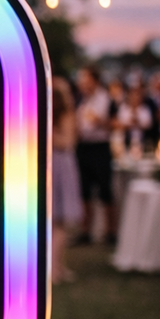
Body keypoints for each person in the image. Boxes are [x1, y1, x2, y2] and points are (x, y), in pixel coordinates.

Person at [74, 65, 117, 246]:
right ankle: (86, 231)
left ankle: (110, 232)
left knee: (105, 190)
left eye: (86, 79)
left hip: (100, 147)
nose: (82, 82)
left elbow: (115, 123)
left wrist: (99, 121)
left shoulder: (106, 99)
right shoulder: (80, 100)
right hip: (83, 147)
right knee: (84, 191)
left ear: (95, 80)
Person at [51, 77, 83, 283]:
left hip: (53, 164)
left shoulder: (50, 116)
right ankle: (55, 270)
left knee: (56, 222)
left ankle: (59, 267)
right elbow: (68, 142)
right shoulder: (66, 114)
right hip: (60, 165)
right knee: (59, 222)